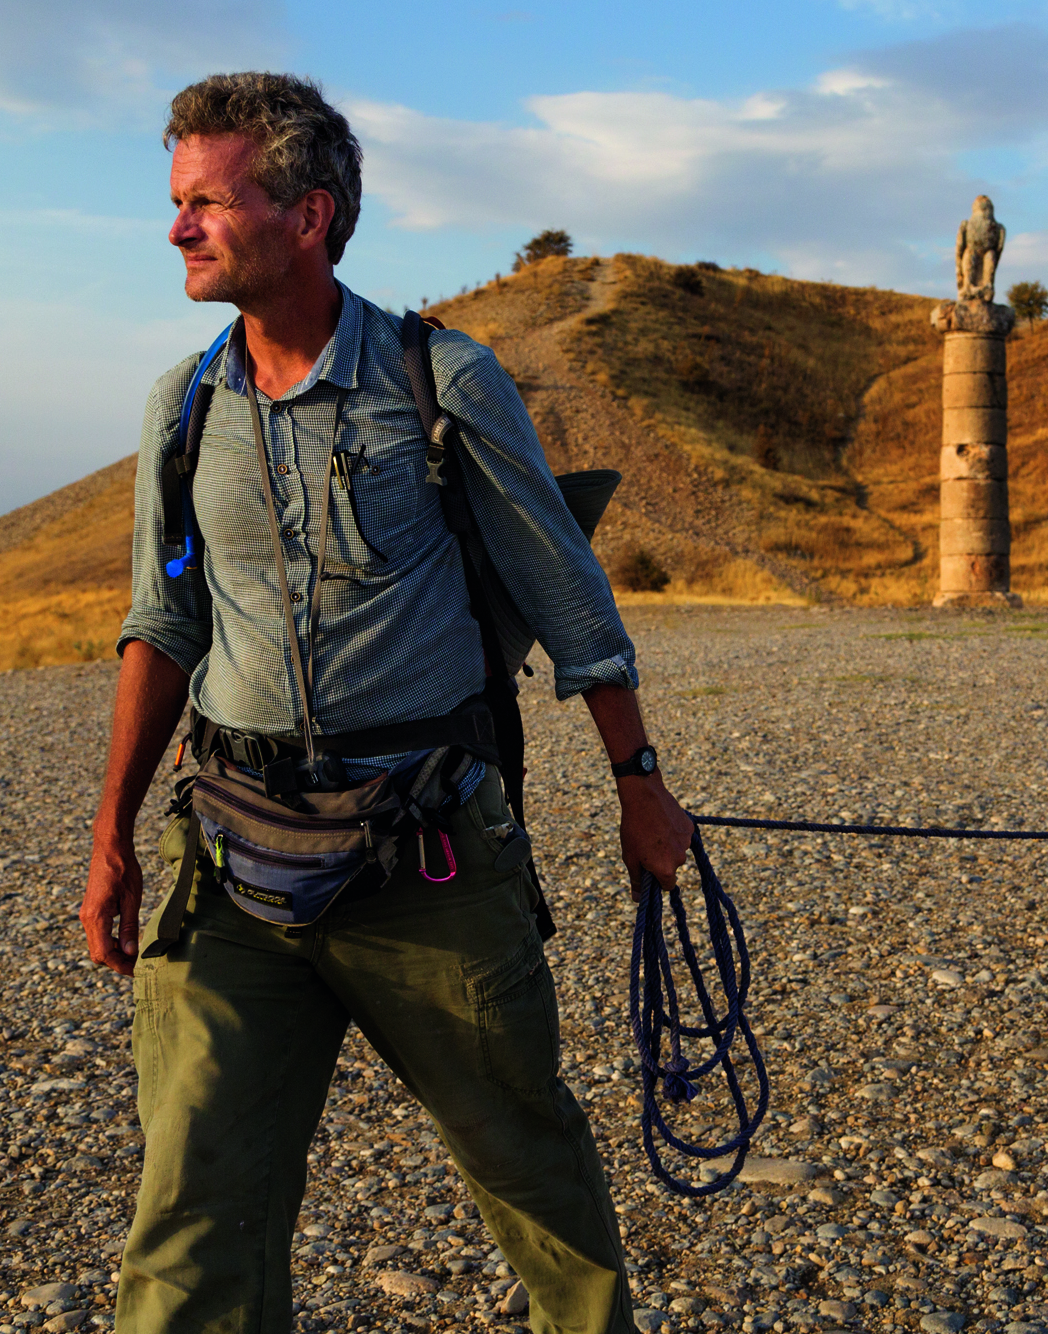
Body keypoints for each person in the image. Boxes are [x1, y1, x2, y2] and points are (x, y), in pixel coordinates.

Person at [81, 71, 694, 1333]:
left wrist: (640, 788)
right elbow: (162, 627)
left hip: (428, 859)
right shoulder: (181, 410)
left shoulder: (442, 381)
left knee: (528, 1165)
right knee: (192, 1197)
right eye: (177, 202)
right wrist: (111, 841)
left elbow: (570, 601)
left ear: (308, 215)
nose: (179, 228)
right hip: (231, 858)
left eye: (207, 202)